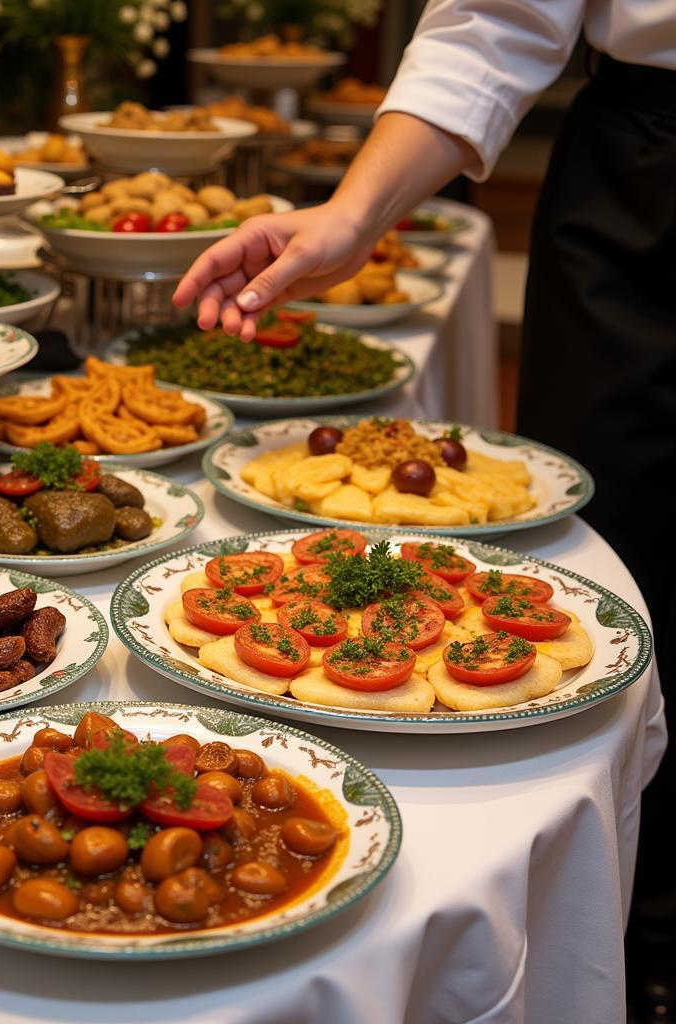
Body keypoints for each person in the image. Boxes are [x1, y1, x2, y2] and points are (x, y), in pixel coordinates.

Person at [173, 2, 676, 1019]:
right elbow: (495, 20)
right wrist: (354, 215)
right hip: (648, 175)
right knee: (631, 564)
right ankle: (643, 935)